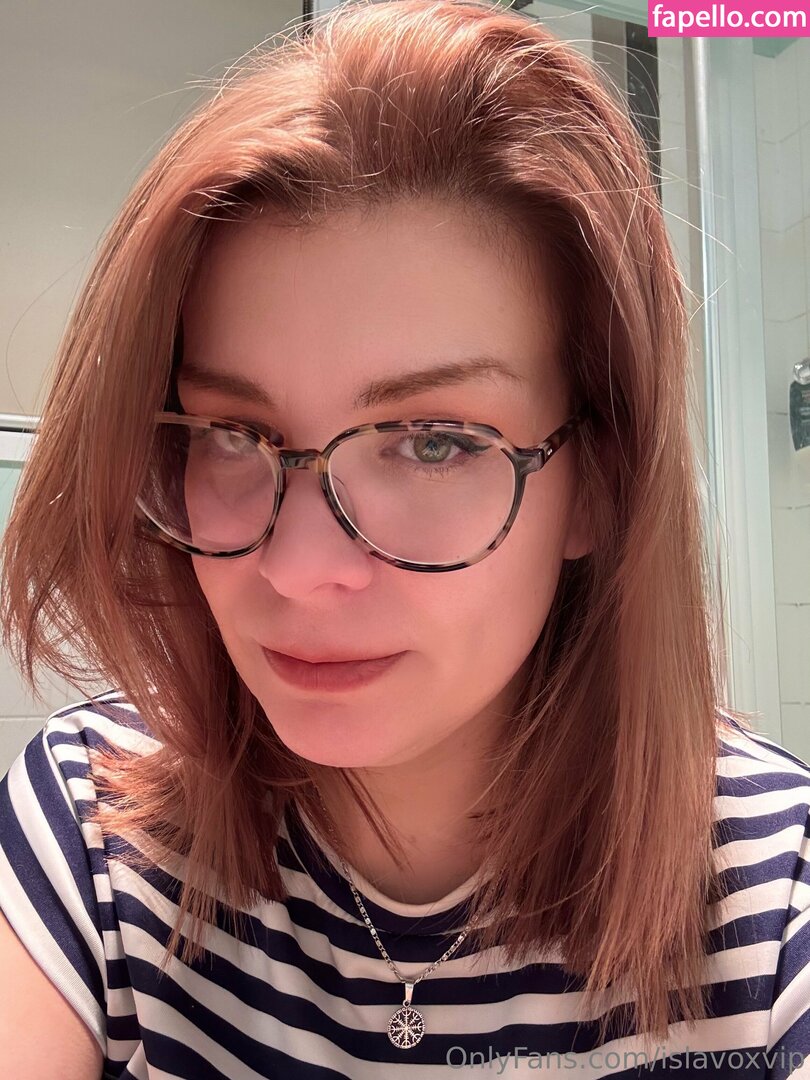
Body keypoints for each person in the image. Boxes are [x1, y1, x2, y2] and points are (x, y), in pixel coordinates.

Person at [1, 0, 808, 1077]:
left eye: (434, 443)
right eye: (234, 434)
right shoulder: (94, 828)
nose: (298, 568)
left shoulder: (776, 901)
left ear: (601, 483)